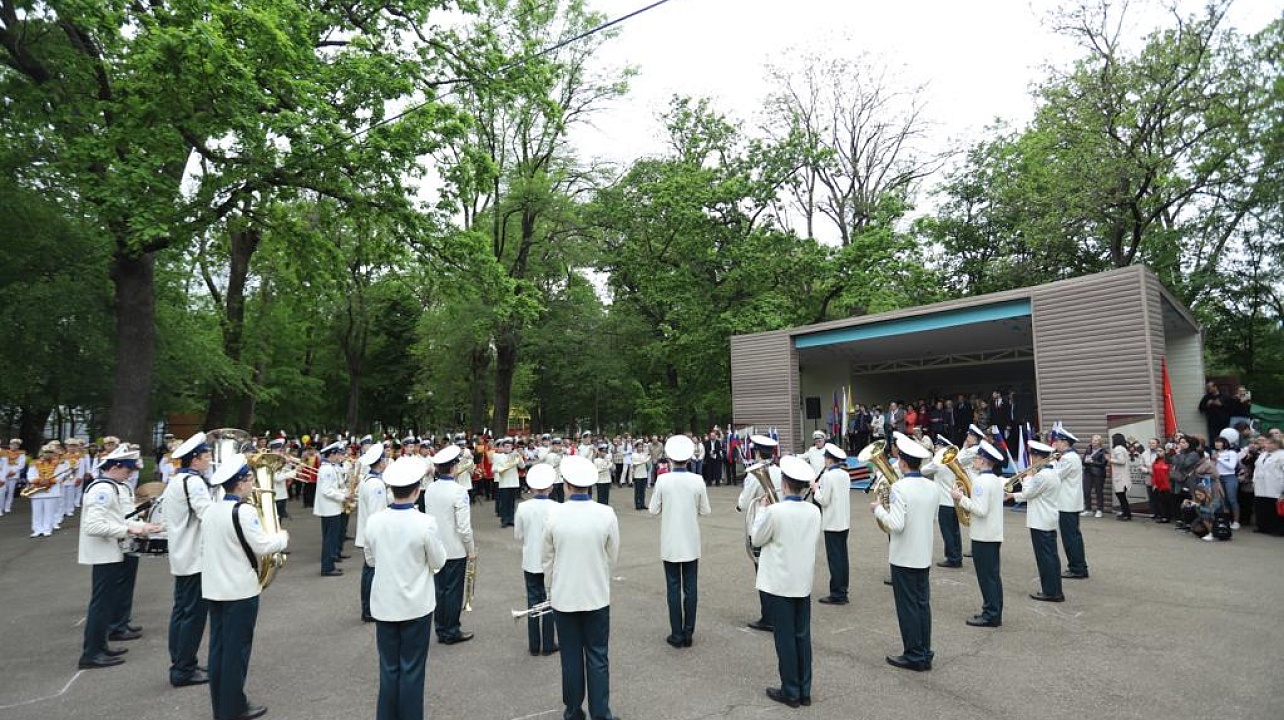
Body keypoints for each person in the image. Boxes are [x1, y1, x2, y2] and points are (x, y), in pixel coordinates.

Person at [201, 454, 289, 720]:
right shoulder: (245, 511)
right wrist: (282, 537)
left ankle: (222, 706)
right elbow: (262, 546)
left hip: (215, 589)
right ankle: (233, 708)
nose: (253, 484)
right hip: (239, 590)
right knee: (236, 653)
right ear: (239, 484)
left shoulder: (211, 510)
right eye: (250, 479)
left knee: (218, 650)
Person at [363, 455, 447, 720]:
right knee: (412, 669)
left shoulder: (374, 521)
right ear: (417, 490)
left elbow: (370, 559)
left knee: (388, 667)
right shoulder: (425, 522)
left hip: (384, 603)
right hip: (415, 604)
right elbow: (439, 561)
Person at [542, 455, 620, 720]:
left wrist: (550, 589)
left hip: (564, 597)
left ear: (565, 485)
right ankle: (601, 713)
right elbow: (612, 555)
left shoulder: (554, 514)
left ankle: (573, 711)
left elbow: (547, 560)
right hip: (596, 595)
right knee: (598, 657)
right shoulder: (606, 513)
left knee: (571, 659)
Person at [78, 445, 162, 669]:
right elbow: (93, 525)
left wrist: (143, 526)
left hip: (112, 551)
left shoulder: (113, 486)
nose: (130, 474)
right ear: (115, 466)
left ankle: (100, 646)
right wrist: (129, 530)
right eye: (127, 469)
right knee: (101, 604)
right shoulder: (102, 490)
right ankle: (91, 653)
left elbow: (119, 518)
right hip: (104, 553)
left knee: (107, 603)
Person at [753, 455, 820, 707]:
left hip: (780, 583)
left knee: (785, 638)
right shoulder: (813, 510)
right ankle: (805, 690)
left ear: (783, 484)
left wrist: (761, 511)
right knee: (802, 635)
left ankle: (790, 690)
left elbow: (757, 538)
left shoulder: (774, 511)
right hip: (802, 581)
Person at [872, 433, 937, 672]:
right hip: (923, 553)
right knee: (922, 605)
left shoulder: (899, 488)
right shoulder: (932, 487)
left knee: (908, 607)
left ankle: (914, 654)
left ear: (902, 462)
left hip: (904, 556)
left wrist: (879, 509)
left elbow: (896, 525)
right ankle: (924, 650)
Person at [160, 432, 217, 687]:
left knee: (181, 611)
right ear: (195, 459)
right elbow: (207, 515)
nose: (210, 459)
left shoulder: (178, 480)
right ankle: (183, 668)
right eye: (207, 456)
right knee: (193, 615)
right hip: (194, 556)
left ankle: (182, 661)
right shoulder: (193, 483)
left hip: (183, 555)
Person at [648, 434, 712, 648]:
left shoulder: (663, 479)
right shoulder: (697, 480)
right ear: (689, 457)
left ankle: (676, 633)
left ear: (670, 457)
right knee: (691, 588)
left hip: (670, 541)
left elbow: (653, 509)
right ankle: (688, 633)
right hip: (691, 540)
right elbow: (705, 510)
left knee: (673, 588)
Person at [423, 443, 476, 645]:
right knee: (453, 591)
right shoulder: (459, 491)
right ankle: (451, 630)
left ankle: (441, 628)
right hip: (454, 549)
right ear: (454, 467)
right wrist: (470, 549)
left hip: (435, 547)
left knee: (440, 589)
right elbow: (463, 528)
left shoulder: (430, 489)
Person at [952, 440, 1006, 627]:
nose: (973, 461)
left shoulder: (981, 482)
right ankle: (995, 611)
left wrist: (961, 499)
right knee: (993, 576)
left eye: (976, 458)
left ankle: (990, 614)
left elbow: (980, 510)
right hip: (992, 534)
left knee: (986, 577)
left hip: (983, 536)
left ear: (983, 461)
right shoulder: (994, 480)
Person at [1007, 441, 1064, 602]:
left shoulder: (1041, 476)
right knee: (1050, 556)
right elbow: (1033, 495)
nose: (1030, 459)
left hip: (1041, 521)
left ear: (1038, 456)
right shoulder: (1050, 473)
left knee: (1046, 558)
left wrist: (1027, 478)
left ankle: (1051, 591)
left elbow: (1029, 492)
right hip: (1046, 519)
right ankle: (1053, 590)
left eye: (1032, 455)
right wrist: (1012, 496)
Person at [737, 435, 783, 632]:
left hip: (760, 524)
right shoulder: (780, 471)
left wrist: (739, 505)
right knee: (776, 569)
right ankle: (779, 613)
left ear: (756, 452)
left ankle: (768, 617)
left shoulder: (754, 473)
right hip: (779, 523)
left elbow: (745, 503)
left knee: (763, 573)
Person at [515, 464, 559, 656]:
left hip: (531, 560)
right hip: (552, 562)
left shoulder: (523, 507)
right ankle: (548, 644)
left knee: (533, 602)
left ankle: (534, 645)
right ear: (550, 488)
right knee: (549, 601)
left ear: (531, 488)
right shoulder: (558, 507)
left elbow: (518, 535)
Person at [813, 443, 851, 605]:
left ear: (829, 460)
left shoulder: (828, 476)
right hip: (843, 520)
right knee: (842, 557)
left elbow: (824, 500)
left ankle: (837, 593)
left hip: (832, 522)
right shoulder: (845, 474)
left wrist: (815, 489)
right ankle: (842, 589)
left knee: (835, 559)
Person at [356, 443, 389, 622]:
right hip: (373, 534)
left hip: (367, 532)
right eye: (385, 458)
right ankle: (368, 609)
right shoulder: (376, 484)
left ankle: (368, 607)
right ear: (381, 462)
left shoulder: (368, 479)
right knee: (371, 571)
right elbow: (377, 513)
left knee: (369, 570)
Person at [1050, 424, 1089, 580]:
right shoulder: (1068, 457)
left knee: (1070, 537)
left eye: (1057, 441)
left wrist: (1051, 462)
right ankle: (1078, 565)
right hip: (1069, 502)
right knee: (1072, 536)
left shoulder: (1068, 458)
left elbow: (1055, 476)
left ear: (1064, 442)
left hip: (1067, 503)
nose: (1055, 444)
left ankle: (1077, 567)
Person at [925, 435, 964, 569]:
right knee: (955, 531)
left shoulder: (938, 462)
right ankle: (957, 556)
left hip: (943, 502)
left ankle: (952, 558)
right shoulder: (955, 460)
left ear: (943, 448)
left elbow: (923, 470)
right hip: (954, 501)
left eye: (937, 446)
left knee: (947, 531)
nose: (935, 448)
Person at [315, 442, 349, 577]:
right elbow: (327, 490)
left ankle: (330, 564)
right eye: (337, 454)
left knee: (332, 538)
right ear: (332, 454)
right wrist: (343, 496)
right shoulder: (327, 469)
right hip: (330, 509)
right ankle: (327, 567)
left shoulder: (330, 468)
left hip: (331, 508)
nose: (339, 456)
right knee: (330, 539)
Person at [26, 442, 66, 538]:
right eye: (46, 452)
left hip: (51, 490)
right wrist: (39, 480)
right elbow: (30, 475)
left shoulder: (59, 464)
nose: (48, 454)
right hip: (37, 490)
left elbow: (61, 475)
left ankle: (47, 529)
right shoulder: (34, 463)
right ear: (41, 453)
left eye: (50, 452)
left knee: (49, 511)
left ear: (53, 454)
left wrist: (50, 481)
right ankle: (37, 529)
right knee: (37, 511)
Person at [1252, 435, 1282, 535]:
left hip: (1275, 485)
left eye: (1269, 443)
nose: (1266, 445)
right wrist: (1254, 480)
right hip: (1260, 485)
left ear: (1277, 445)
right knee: (1261, 507)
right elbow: (1257, 468)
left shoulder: (1282, 455)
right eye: (1267, 443)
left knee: (1274, 508)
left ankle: (1276, 529)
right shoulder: (1263, 454)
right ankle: (1262, 527)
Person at [491, 437, 523, 528]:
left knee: (512, 502)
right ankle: (504, 520)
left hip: (513, 482)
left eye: (509, 446)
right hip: (504, 482)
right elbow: (493, 469)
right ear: (503, 447)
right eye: (505, 446)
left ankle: (511, 519)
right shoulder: (498, 456)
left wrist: (519, 456)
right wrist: (501, 469)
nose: (507, 448)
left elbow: (522, 466)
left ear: (512, 447)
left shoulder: (515, 456)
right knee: (504, 503)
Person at [1211, 436, 1241, 530]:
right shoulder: (1215, 453)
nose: (1217, 444)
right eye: (1216, 442)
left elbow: (1232, 466)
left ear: (1225, 443)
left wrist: (1219, 459)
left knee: (1232, 499)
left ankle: (1236, 521)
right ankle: (1225, 520)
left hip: (1230, 477)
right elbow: (1213, 467)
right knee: (1222, 500)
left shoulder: (1231, 453)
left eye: (1219, 442)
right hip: (1218, 478)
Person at [2, 438, 27, 516]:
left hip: (13, 475)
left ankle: (7, 506)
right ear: (9, 445)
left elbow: (21, 464)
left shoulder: (21, 454)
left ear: (18, 446)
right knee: (3, 491)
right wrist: (5, 472)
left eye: (16, 445)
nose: (14, 446)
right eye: (12, 444)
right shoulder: (4, 453)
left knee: (10, 491)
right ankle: (1, 506)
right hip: (3, 474)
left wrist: (13, 471)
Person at [631, 440, 650, 510]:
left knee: (643, 491)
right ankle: (637, 504)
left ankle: (642, 504)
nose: (640, 448)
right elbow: (635, 463)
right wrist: (644, 461)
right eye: (639, 447)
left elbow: (647, 449)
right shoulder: (634, 454)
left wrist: (643, 461)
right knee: (637, 491)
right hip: (637, 475)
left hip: (644, 474)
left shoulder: (644, 454)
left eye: (641, 447)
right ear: (636, 448)